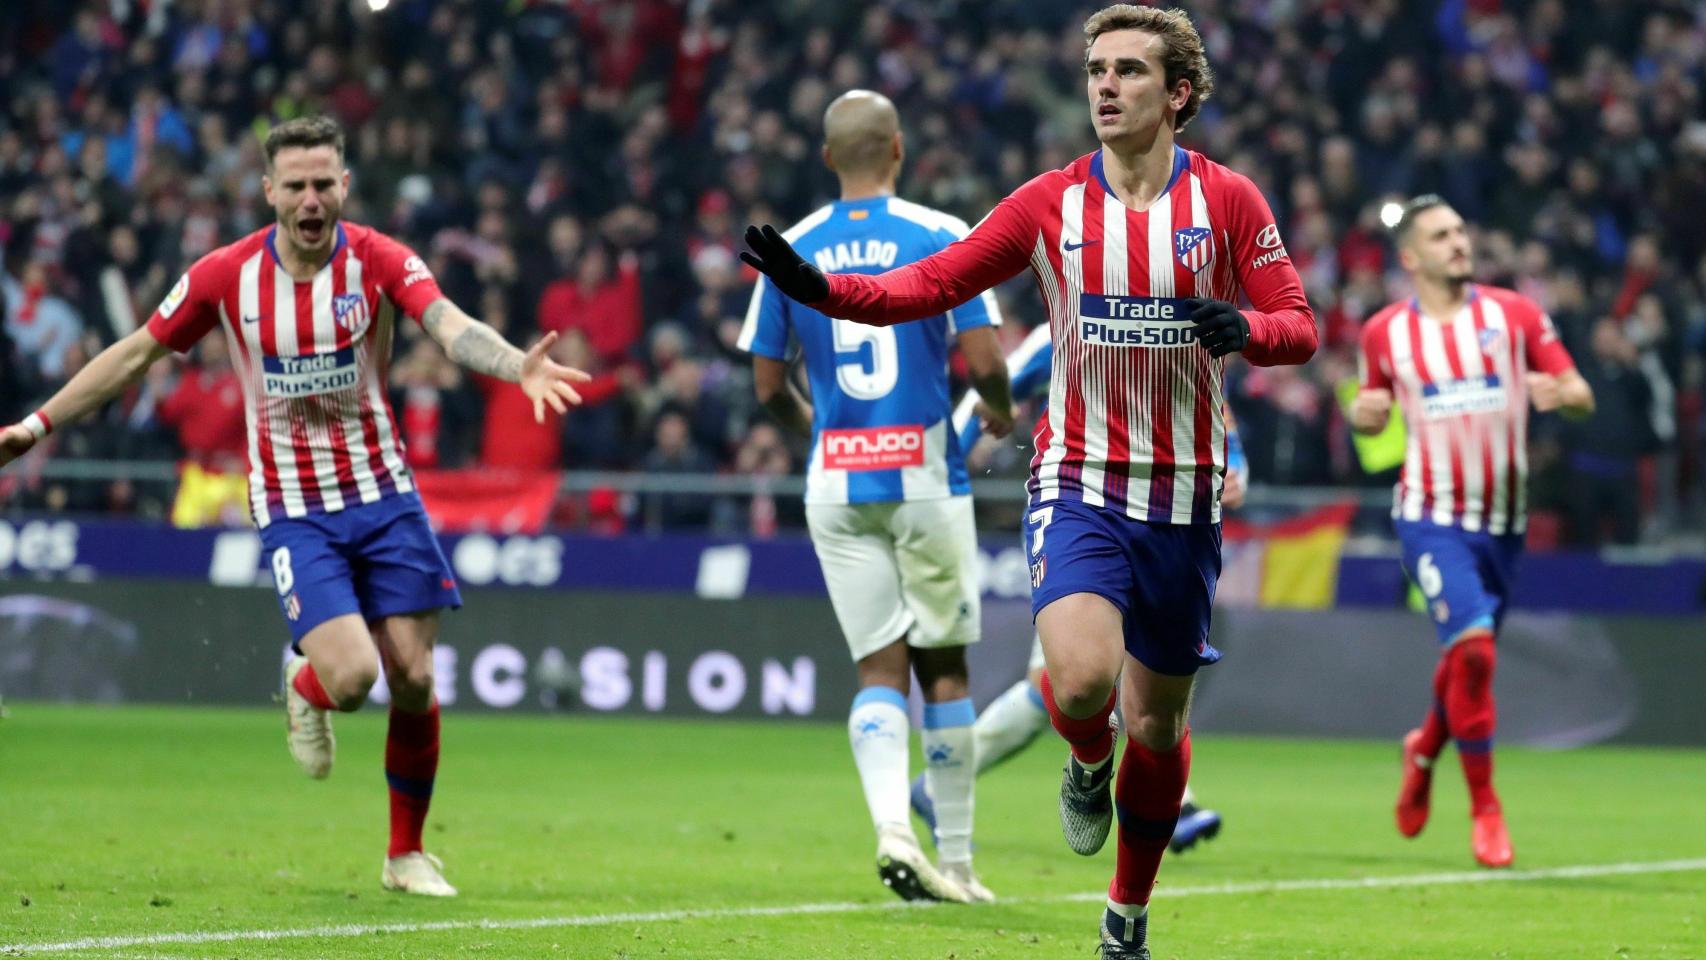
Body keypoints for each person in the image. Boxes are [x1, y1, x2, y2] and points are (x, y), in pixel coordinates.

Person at [741, 8, 1316, 955]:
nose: (1105, 85)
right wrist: (822, 291)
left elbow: (1299, 324)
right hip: (1079, 479)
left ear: (1177, 94)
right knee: (1084, 684)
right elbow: (930, 284)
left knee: (1160, 726)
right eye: (1096, 69)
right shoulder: (1051, 202)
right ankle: (1085, 759)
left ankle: (1126, 913)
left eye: (1129, 70)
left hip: (1182, 499)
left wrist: (1246, 330)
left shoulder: (1230, 202)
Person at [0, 115, 590, 897]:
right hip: (293, 506)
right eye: (296, 185)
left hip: (385, 496)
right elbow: (136, 352)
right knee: (351, 678)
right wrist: (37, 425)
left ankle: (405, 854)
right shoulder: (225, 276)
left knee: (411, 675)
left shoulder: (379, 260)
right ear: (269, 190)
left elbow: (447, 325)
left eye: (324, 184)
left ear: (343, 186)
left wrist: (517, 366)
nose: (311, 199)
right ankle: (304, 685)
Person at [738, 89, 1015, 905]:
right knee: (947, 670)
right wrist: (997, 413)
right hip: (925, 476)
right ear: (898, 148)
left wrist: (819, 429)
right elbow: (986, 359)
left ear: (828, 157)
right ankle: (957, 863)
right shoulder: (941, 235)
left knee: (876, 668)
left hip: (837, 482)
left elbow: (764, 386)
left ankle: (893, 827)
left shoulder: (792, 247)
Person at [908, 322, 1240, 855]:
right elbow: (998, 377)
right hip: (1081, 512)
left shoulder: (1177, 309)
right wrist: (946, 461)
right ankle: (1167, 803)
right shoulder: (1072, 314)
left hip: (1163, 514)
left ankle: (943, 783)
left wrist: (1235, 464)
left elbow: (1207, 398)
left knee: (1104, 675)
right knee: (1075, 680)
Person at [1350, 194, 1593, 868]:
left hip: (1505, 526)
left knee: (1466, 654)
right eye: (1441, 234)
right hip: (1431, 516)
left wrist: (1561, 396)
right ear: (1412, 257)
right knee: (1477, 651)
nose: (1459, 242)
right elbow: (1369, 412)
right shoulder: (1384, 332)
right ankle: (1486, 808)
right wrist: (1365, 417)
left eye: (1461, 230)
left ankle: (1424, 746)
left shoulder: (1512, 315)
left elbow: (1579, 390)